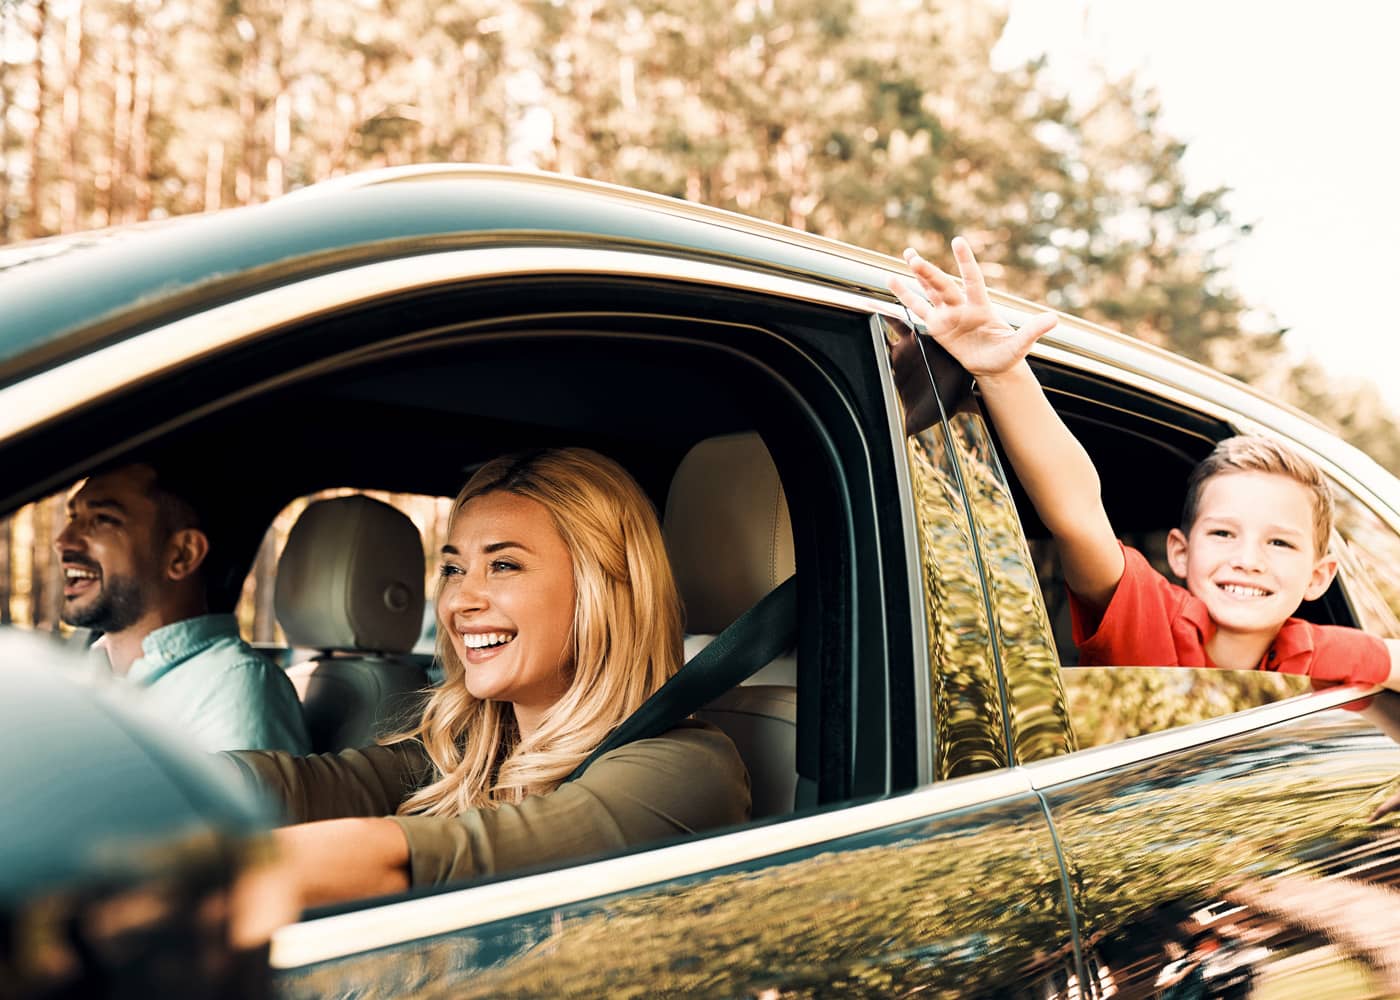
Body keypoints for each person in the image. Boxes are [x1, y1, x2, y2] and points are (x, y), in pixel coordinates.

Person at [226, 448, 750, 908]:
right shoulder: (468, 755)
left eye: (503, 566)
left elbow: (439, 860)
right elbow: (305, 786)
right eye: (454, 570)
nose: (459, 602)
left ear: (600, 592)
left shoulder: (685, 769)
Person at [890, 237, 1400, 690]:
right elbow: (1078, 513)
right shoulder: (1151, 619)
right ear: (1180, 552)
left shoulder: (1313, 649)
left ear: (1319, 576)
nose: (1248, 559)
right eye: (1223, 534)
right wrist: (1005, 376)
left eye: (1280, 542)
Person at [56, 461, 310, 753]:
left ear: (182, 554)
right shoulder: (90, 670)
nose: (63, 541)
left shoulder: (232, 687)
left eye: (103, 518)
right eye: (73, 516)